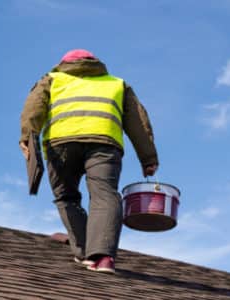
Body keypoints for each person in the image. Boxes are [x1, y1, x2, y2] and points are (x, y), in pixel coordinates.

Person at [19, 49, 159, 274]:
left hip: (60, 144)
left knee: (67, 196)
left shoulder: (52, 79)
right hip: (105, 144)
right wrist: (148, 159)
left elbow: (32, 111)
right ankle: (102, 257)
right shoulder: (117, 84)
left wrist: (27, 137)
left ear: (63, 64)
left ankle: (84, 251)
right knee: (105, 194)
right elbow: (138, 124)